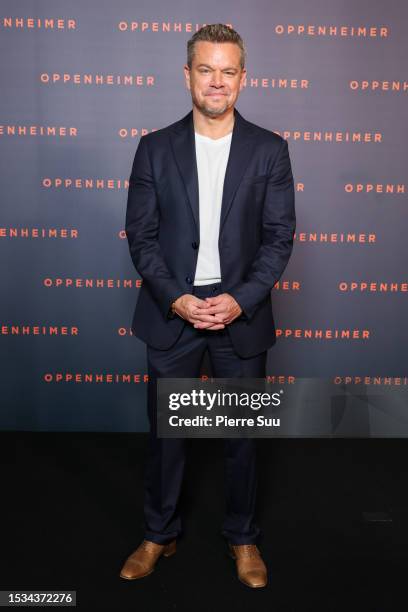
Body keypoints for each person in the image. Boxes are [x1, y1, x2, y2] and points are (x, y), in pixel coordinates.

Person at [120, 23, 296, 588]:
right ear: (187, 75)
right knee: (167, 434)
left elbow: (278, 240)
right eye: (205, 69)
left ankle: (243, 539)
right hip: (174, 314)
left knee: (242, 438)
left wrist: (237, 301)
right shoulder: (154, 147)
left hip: (239, 314)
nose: (216, 82)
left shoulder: (271, 150)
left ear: (243, 78)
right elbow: (141, 238)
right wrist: (178, 300)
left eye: (227, 71)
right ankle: (159, 532)